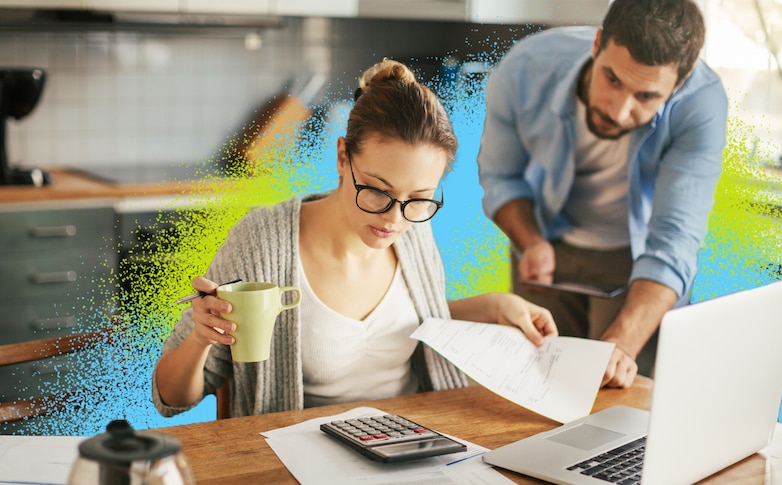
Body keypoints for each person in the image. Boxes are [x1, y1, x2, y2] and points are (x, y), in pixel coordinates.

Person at [152, 59, 557, 418]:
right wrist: (201, 339)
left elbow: (409, 319)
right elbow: (171, 398)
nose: (395, 219)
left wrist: (494, 305)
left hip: (417, 440)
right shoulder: (262, 241)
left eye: (418, 199)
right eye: (379, 192)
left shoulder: (415, 228)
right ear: (343, 156)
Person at [477, 0, 728, 388]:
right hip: (547, 246)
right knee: (538, 391)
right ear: (597, 45)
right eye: (612, 79)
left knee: (620, 400)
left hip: (637, 265)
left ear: (678, 83)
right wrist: (531, 241)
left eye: (646, 96)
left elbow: (674, 239)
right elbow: (500, 177)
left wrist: (621, 346)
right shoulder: (525, 69)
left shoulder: (701, 103)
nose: (619, 109)